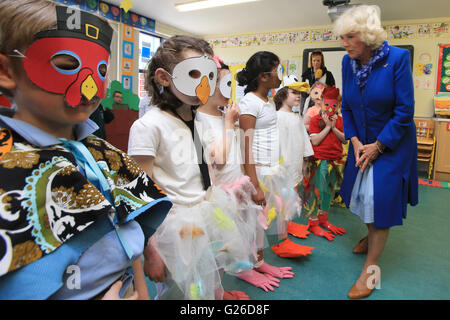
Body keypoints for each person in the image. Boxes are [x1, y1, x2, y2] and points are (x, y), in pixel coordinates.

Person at [0, 0, 172, 300]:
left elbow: (127, 227)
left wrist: (142, 289)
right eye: (67, 66)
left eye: (101, 70)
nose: (90, 87)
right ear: (5, 71)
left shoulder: (103, 151)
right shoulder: (7, 165)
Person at [128, 35, 253, 300]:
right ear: (163, 78)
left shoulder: (198, 121)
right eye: (193, 73)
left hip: (204, 211)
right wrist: (150, 252)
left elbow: (205, 169)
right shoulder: (148, 127)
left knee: (206, 274)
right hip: (173, 225)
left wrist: (224, 196)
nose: (204, 83)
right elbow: (138, 196)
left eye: (209, 74)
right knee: (179, 288)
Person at [333, 5, 418, 299]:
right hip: (362, 141)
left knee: (379, 201)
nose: (345, 44)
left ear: (368, 35)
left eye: (350, 37)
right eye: (342, 38)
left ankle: (371, 270)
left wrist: (379, 145)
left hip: (392, 143)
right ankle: (370, 237)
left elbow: (405, 110)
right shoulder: (347, 62)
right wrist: (355, 140)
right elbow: (347, 106)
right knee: (360, 196)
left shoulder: (397, 58)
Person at [237, 51, 313, 292]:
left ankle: (258, 261)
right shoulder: (249, 102)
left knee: (261, 221)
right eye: (277, 71)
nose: (280, 76)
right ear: (263, 76)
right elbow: (245, 144)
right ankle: (245, 268)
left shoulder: (266, 101)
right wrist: (254, 183)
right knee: (251, 221)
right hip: (257, 171)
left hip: (269, 170)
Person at [298, 85, 347, 242]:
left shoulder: (340, 121)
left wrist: (334, 127)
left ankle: (323, 219)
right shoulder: (315, 120)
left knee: (329, 192)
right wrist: (327, 127)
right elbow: (315, 140)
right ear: (322, 103)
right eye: (327, 104)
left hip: (335, 161)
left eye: (334, 105)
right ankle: (313, 222)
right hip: (319, 161)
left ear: (338, 105)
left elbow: (345, 139)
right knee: (317, 191)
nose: (330, 108)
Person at [274, 77, 316, 244]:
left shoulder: (297, 117)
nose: (298, 96)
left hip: (295, 165)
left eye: (299, 93)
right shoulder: (277, 117)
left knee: (292, 198)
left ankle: (288, 225)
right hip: (283, 166)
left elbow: (303, 141)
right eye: (294, 92)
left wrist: (304, 161)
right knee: (284, 201)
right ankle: (282, 236)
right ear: (283, 95)